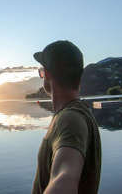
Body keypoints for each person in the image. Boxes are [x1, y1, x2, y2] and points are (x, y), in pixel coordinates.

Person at [31, 41, 101, 194]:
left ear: (47, 74)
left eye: (41, 72)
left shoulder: (70, 119)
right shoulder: (75, 113)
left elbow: (64, 178)